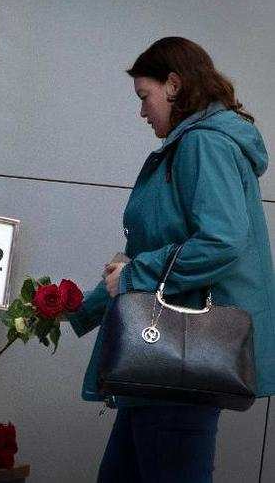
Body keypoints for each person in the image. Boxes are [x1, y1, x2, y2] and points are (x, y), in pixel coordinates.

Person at [66, 36, 275, 483]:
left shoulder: (204, 145)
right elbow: (147, 266)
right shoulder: (194, 145)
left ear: (174, 85)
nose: (142, 112)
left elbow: (221, 241)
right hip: (160, 367)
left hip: (174, 365)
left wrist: (136, 271)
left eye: (145, 97)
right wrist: (76, 311)